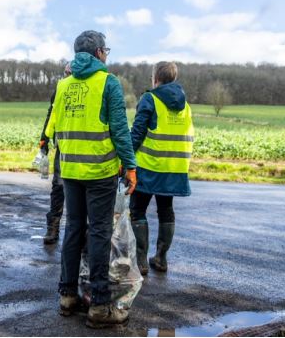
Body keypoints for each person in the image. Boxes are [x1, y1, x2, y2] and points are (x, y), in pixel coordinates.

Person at [45, 30, 137, 328]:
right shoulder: (108, 82)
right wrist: (130, 166)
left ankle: (67, 296)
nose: (106, 55)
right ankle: (99, 305)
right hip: (100, 171)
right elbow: (120, 130)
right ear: (99, 53)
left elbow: (56, 127)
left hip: (70, 170)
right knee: (98, 233)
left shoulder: (63, 85)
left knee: (73, 229)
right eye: (105, 51)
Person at [129, 61, 194, 275]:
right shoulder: (185, 105)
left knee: (138, 210)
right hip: (174, 167)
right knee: (166, 210)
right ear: (173, 79)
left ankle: (141, 261)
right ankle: (161, 258)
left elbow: (137, 133)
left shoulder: (150, 99)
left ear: (155, 78)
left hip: (149, 166)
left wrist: (126, 157)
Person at [39, 63, 72, 244]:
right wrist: (44, 138)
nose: (66, 76)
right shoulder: (59, 90)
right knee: (58, 188)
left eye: (69, 73)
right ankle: (52, 228)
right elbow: (51, 115)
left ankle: (82, 236)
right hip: (62, 148)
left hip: (83, 150)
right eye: (65, 73)